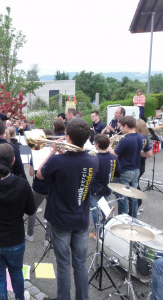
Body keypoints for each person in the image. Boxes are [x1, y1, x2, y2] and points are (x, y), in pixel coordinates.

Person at [37, 118, 99, 300]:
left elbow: (40, 174)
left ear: (68, 137)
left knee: (63, 264)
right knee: (80, 264)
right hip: (81, 219)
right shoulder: (93, 160)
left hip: (61, 219)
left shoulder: (58, 160)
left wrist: (54, 151)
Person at [0, 143, 36, 300]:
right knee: (16, 273)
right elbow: (31, 211)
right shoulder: (23, 184)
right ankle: (20, 297)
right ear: (13, 161)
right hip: (14, 239)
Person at [108, 116, 152, 217]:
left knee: (122, 197)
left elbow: (114, 154)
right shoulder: (141, 137)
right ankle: (133, 218)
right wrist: (134, 154)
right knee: (133, 195)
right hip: (136, 169)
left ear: (126, 126)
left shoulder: (125, 140)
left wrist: (109, 145)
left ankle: (123, 219)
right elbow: (148, 154)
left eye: (121, 127)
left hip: (124, 170)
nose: (120, 129)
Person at [89, 134, 119, 238]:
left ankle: (99, 233)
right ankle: (106, 231)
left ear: (96, 145)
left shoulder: (94, 158)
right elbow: (117, 173)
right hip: (107, 187)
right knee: (105, 210)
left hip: (95, 190)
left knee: (95, 211)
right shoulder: (113, 157)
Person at [25, 151, 51, 247]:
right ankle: (47, 238)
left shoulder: (36, 155)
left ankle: (30, 234)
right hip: (52, 187)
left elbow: (31, 173)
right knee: (51, 212)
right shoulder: (57, 156)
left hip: (39, 187)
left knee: (32, 210)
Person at [135, 119, 151, 213]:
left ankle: (137, 205)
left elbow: (149, 154)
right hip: (141, 165)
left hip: (139, 164)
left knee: (134, 185)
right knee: (136, 184)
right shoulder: (144, 137)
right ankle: (139, 205)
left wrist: (136, 154)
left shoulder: (142, 138)